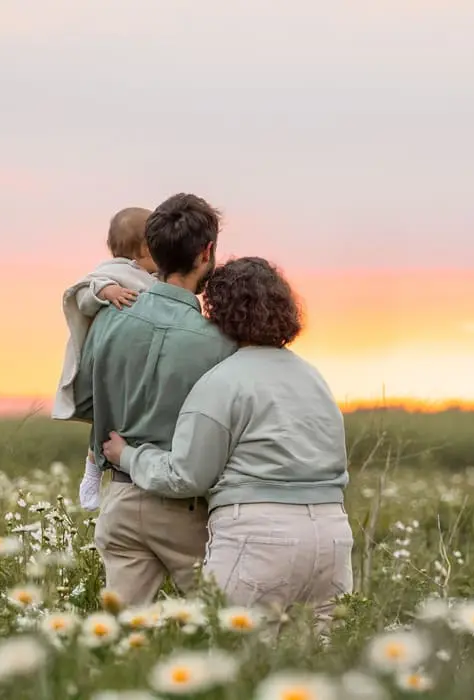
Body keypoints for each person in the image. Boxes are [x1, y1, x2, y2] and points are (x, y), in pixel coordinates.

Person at [101, 257, 351, 630]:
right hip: (333, 536)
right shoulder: (312, 377)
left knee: (236, 659)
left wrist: (129, 456)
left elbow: (186, 476)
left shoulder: (221, 382)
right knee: (319, 665)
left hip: (259, 537)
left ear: (220, 314)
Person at [71, 193, 236, 605]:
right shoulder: (219, 343)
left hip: (121, 501)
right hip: (186, 509)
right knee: (223, 625)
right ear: (207, 252)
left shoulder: (107, 319)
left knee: (118, 642)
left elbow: (86, 401)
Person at [53, 207, 160, 511]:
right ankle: (92, 471)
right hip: (108, 363)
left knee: (111, 420)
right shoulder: (113, 273)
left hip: (129, 362)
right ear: (144, 249)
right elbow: (82, 293)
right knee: (106, 417)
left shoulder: (149, 277)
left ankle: (100, 468)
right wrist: (106, 290)